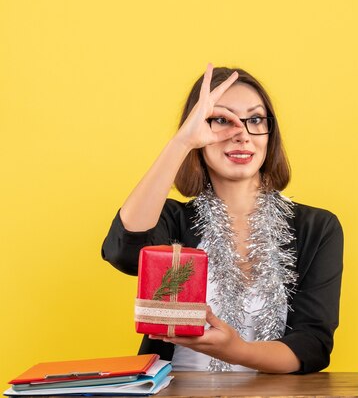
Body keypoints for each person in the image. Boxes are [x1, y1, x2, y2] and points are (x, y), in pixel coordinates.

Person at [101, 64, 343, 374]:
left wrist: (236, 350)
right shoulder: (172, 220)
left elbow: (313, 346)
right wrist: (181, 142)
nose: (241, 135)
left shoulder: (317, 228)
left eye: (255, 119)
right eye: (220, 120)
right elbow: (125, 250)